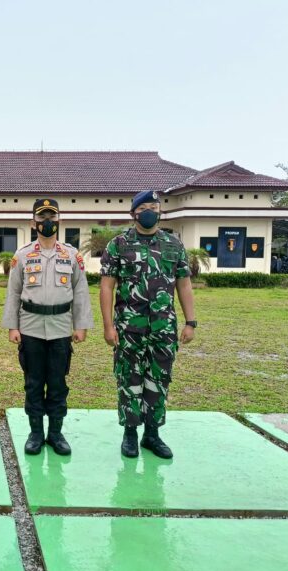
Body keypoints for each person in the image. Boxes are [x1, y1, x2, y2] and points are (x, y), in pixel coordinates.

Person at [99, 190, 196, 459]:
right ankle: (130, 433)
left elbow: (184, 284)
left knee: (159, 379)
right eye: (145, 208)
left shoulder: (173, 245)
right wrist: (108, 326)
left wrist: (191, 322)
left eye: (155, 206)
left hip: (163, 327)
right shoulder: (118, 244)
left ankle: (152, 434)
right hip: (128, 327)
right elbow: (107, 287)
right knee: (128, 378)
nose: (151, 211)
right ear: (134, 213)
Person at [2, 198, 94, 456]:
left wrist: (81, 324)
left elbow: (81, 291)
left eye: (51, 217)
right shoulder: (22, 255)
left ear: (59, 220)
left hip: (61, 328)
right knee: (33, 382)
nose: (47, 222)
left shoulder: (71, 255)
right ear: (34, 222)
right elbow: (13, 292)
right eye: (42, 217)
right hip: (30, 327)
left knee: (57, 382)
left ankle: (55, 433)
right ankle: (35, 433)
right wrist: (12, 326)